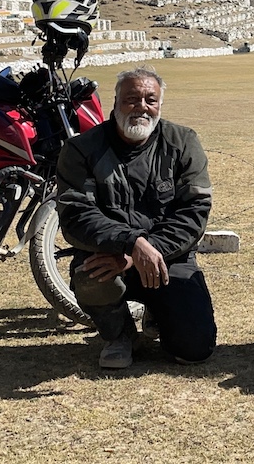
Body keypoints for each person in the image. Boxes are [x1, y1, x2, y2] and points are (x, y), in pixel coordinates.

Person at [55, 66, 217, 369]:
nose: (142, 107)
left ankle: (160, 311)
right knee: (92, 279)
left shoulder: (182, 142)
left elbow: (193, 213)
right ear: (115, 102)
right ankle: (120, 335)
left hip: (170, 258)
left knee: (194, 350)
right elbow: (77, 215)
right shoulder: (80, 150)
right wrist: (129, 244)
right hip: (106, 255)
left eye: (150, 100)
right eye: (132, 99)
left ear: (159, 105)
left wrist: (140, 253)